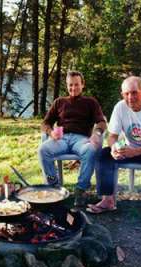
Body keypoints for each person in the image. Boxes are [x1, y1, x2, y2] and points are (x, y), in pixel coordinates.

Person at [90, 76, 141, 228]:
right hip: (130, 147)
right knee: (103, 155)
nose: (130, 98)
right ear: (122, 95)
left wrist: (136, 152)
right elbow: (112, 137)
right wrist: (114, 148)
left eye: (134, 93)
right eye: (126, 94)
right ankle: (108, 200)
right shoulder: (120, 107)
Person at [38, 71, 107, 207]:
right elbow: (45, 123)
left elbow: (101, 122)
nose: (73, 88)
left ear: (82, 85)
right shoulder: (59, 102)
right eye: (70, 85)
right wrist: (51, 132)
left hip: (81, 140)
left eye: (76, 85)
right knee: (43, 150)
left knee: (91, 149)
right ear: (67, 85)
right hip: (61, 139)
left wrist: (97, 133)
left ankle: (81, 190)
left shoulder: (90, 102)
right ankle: (54, 187)